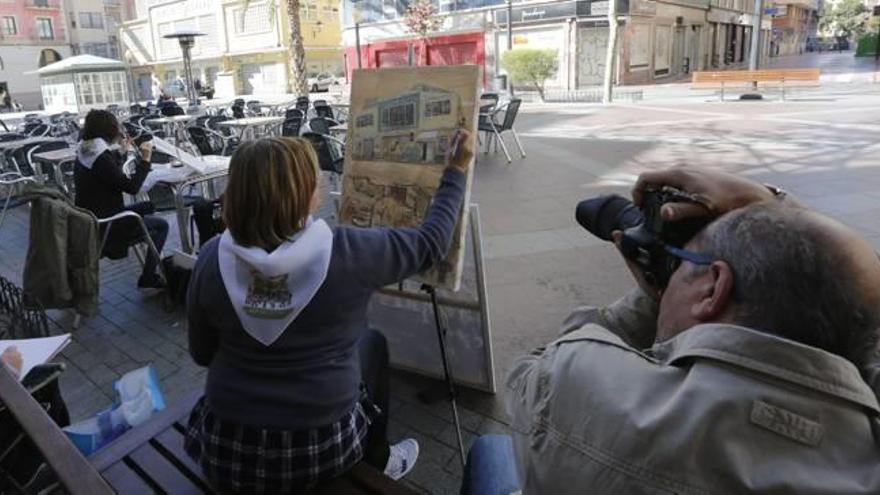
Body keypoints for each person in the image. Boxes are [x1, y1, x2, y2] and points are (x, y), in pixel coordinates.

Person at [501, 167, 880, 493]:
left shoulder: (580, 383)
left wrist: (651, 301)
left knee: (492, 456)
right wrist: (777, 206)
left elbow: (529, 373)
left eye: (681, 268)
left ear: (714, 287)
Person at [184, 131, 474, 493]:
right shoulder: (349, 252)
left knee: (368, 345)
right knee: (373, 345)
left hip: (226, 450)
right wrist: (456, 170)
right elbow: (431, 243)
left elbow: (201, 354)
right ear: (304, 196)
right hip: (321, 449)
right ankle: (379, 458)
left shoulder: (212, 256)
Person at [73, 109, 168, 289]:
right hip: (108, 226)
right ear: (109, 129)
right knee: (162, 225)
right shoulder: (101, 157)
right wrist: (146, 160)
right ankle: (148, 276)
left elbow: (106, 174)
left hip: (90, 220)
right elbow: (132, 188)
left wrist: (121, 153)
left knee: (148, 206)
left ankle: (149, 258)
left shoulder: (85, 149)